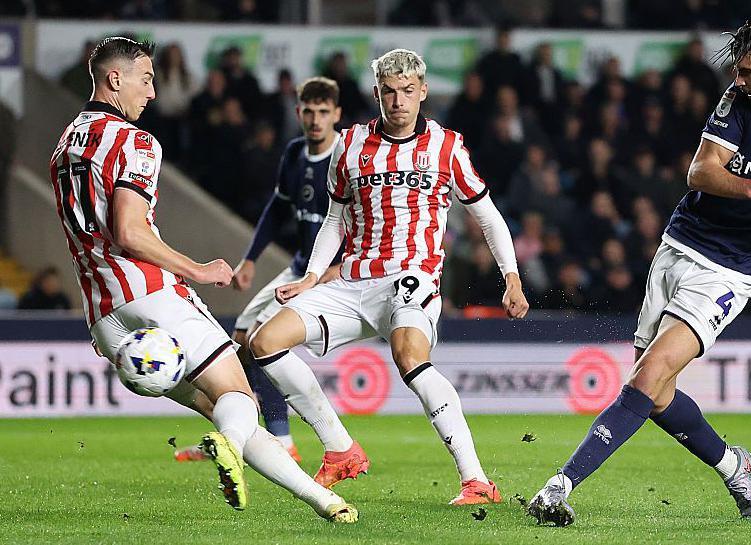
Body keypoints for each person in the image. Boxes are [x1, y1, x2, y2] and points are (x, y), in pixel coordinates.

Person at [528, 18, 751, 526]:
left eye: (746, 71)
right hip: (680, 244)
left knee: (648, 375)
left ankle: (559, 486)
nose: (738, 80)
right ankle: (733, 466)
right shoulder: (740, 100)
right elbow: (699, 171)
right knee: (654, 394)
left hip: (732, 270)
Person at [49, 37, 357, 523]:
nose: (151, 93)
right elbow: (128, 231)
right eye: (147, 80)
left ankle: (325, 502)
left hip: (104, 317)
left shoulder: (65, 145)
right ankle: (229, 443)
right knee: (239, 398)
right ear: (115, 80)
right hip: (150, 294)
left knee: (222, 407)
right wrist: (197, 269)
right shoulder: (135, 141)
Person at [247, 48, 529, 505]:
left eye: (407, 92)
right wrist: (312, 277)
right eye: (389, 92)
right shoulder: (352, 144)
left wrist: (511, 277)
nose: (398, 101)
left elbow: (490, 218)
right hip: (354, 281)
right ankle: (340, 448)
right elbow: (335, 218)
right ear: (377, 93)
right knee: (263, 342)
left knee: (408, 354)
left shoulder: (446, 146)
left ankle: (476, 479)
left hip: (411, 275)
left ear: (422, 92)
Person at [174, 78, 355, 482]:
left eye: (323, 112)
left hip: (333, 274)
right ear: (298, 113)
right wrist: (250, 259)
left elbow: (361, 219)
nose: (315, 119)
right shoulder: (294, 153)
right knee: (238, 342)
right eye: (308, 111)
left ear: (337, 115)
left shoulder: (348, 155)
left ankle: (281, 439)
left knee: (261, 342)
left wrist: (335, 270)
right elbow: (278, 209)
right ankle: (239, 433)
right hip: (299, 267)